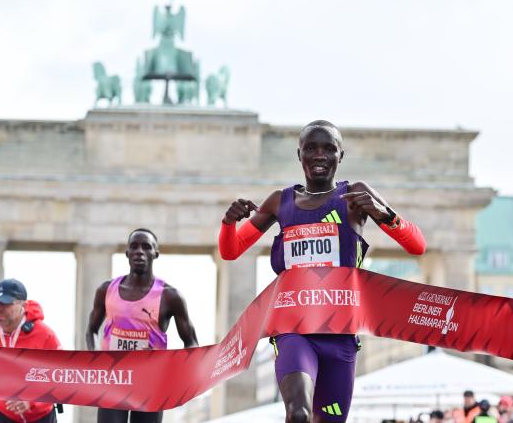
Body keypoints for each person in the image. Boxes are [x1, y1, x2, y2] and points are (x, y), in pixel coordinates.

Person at [218, 120, 426, 422]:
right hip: (294, 330)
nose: (320, 155)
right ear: (299, 154)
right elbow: (231, 250)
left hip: (340, 335)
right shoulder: (280, 201)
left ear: (340, 156)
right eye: (311, 148)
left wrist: (383, 213)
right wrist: (228, 224)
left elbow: (417, 246)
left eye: (329, 149)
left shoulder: (355, 195)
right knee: (298, 413)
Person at [87, 228, 199, 423]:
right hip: (113, 380)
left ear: (155, 253)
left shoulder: (170, 296)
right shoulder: (106, 290)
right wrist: (95, 356)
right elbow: (91, 330)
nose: (139, 251)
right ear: (127, 253)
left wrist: (178, 374)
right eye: (134, 246)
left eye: (146, 247)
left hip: (151, 383)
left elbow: (191, 343)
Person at [0, 278, 62, 423]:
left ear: (23, 306)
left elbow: (59, 377)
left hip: (39, 415)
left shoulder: (45, 335)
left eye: (6, 303)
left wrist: (31, 399)